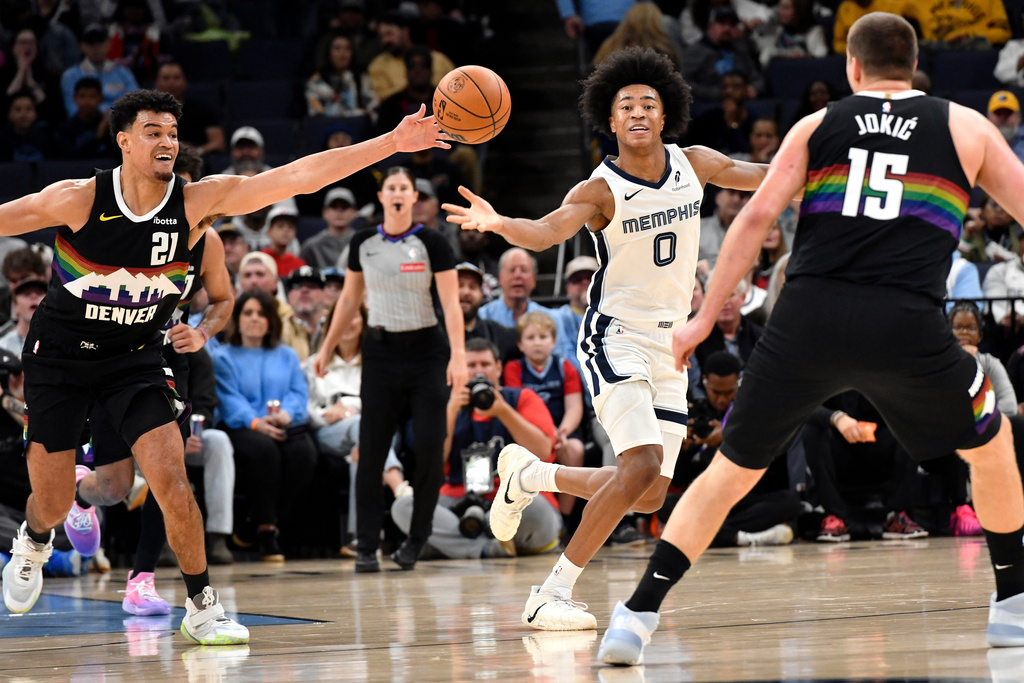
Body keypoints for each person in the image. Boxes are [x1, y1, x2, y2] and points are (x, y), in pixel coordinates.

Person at [597, 13, 1024, 665]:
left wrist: (703, 318)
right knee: (991, 446)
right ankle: (1013, 604)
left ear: (850, 69)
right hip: (906, 325)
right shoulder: (965, 127)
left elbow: (755, 220)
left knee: (727, 475)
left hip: (807, 319)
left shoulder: (818, 125)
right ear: (912, 65)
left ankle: (636, 615)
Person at [0, 85, 448, 645]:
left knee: (171, 481)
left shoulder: (195, 205)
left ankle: (202, 606)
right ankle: (34, 541)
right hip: (60, 360)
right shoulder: (78, 199)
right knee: (54, 500)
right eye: (152, 132)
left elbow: (297, 177)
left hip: (134, 358)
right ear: (123, 142)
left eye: (172, 132)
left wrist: (392, 142)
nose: (167, 142)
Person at [444, 46, 768, 630]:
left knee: (646, 493)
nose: (639, 112)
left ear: (665, 115)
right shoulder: (600, 190)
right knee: (639, 465)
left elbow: (772, 179)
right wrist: (497, 224)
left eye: (649, 102)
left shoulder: (696, 164)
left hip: (672, 347)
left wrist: (830, 165)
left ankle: (530, 475)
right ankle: (551, 592)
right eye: (627, 105)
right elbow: (544, 233)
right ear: (610, 120)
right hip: (614, 336)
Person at [66, 144, 235, 616]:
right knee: (116, 485)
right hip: (111, 358)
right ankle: (82, 490)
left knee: (170, 480)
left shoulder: (207, 239)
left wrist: (201, 332)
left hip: (164, 364)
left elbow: (223, 299)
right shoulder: (112, 223)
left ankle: (142, 581)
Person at [312, 166, 467, 573]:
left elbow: (451, 305)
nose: (398, 194)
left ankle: (416, 540)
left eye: (405, 189)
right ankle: (366, 545)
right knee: (372, 449)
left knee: (432, 448)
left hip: (427, 352)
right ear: (381, 197)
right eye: (391, 188)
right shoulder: (363, 242)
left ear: (414, 198)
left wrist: (459, 355)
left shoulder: (432, 242)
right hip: (380, 353)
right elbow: (348, 301)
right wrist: (326, 347)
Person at [390, 338, 561, 559]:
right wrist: (451, 411)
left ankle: (454, 544)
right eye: (471, 366)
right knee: (404, 506)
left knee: (534, 503)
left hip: (512, 499)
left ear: (498, 368)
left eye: (485, 364)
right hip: (460, 501)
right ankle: (485, 548)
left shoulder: (523, 398)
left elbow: (542, 451)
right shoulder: (447, 406)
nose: (478, 371)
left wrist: (504, 412)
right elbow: (431, 464)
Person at [212, 289, 318, 561]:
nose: (255, 319)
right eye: (248, 313)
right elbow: (228, 398)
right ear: (237, 319)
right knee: (264, 450)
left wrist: (287, 414)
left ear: (271, 320)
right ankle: (266, 530)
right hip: (242, 426)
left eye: (261, 313)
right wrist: (255, 422)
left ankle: (260, 524)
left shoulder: (287, 355)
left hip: (282, 422)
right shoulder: (223, 357)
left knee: (303, 452)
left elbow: (298, 392)